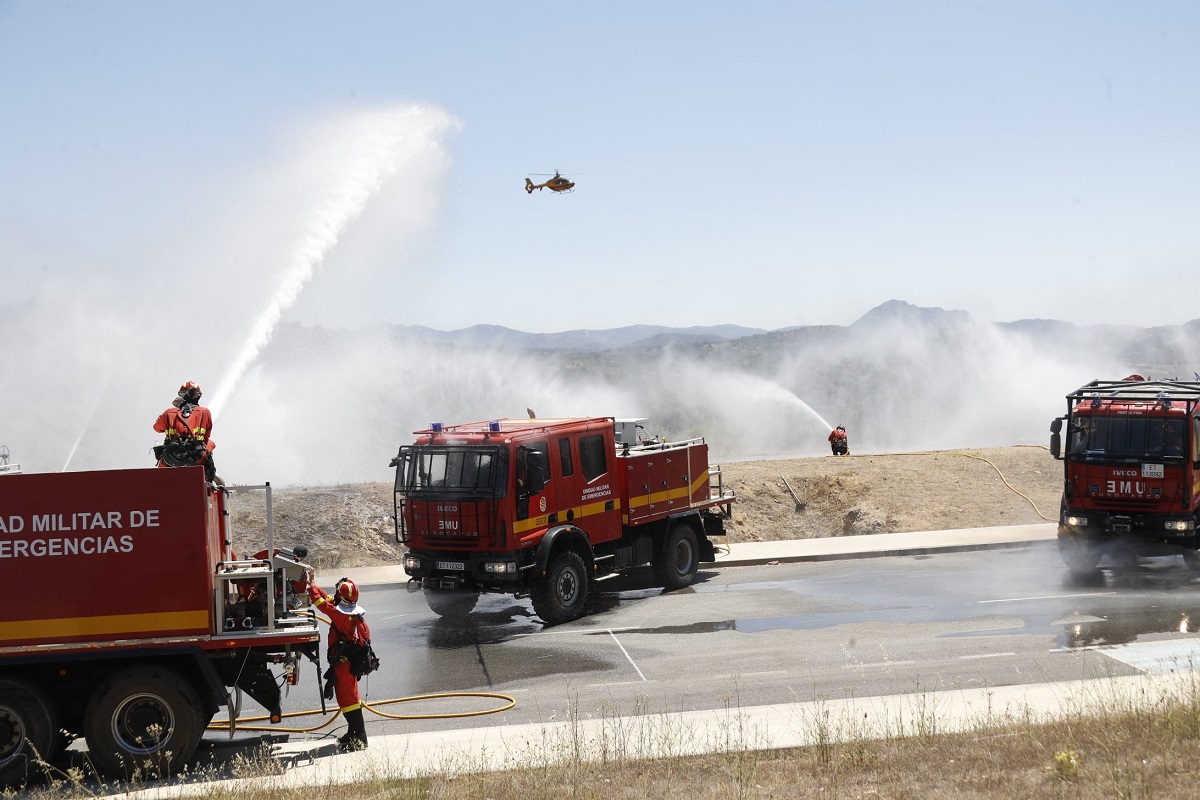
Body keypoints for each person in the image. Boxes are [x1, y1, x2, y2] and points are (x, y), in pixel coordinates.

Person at [308, 577, 373, 750]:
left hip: (344, 664)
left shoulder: (339, 614)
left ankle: (359, 738)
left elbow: (321, 603)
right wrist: (314, 585)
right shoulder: (350, 613)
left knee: (347, 700)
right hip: (348, 662)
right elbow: (328, 599)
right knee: (351, 697)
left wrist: (310, 585)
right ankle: (354, 733)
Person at [153, 380, 219, 482]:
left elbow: (156, 428)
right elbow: (206, 435)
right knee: (210, 444)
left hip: (169, 460)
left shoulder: (169, 413)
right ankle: (208, 480)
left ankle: (160, 483)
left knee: (161, 467)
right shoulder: (205, 413)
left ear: (181, 396)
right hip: (197, 459)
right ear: (199, 396)